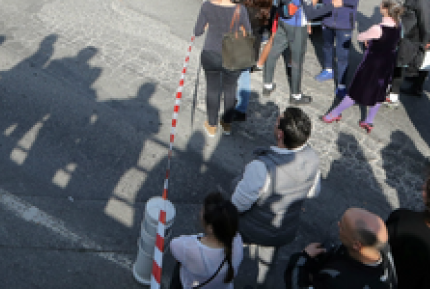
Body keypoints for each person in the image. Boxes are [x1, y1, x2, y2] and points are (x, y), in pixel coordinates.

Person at [232, 108, 321, 287]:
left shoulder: (261, 167)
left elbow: (238, 204)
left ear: (280, 134)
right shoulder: (313, 158)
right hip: (283, 230)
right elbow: (313, 192)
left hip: (250, 229)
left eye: (276, 122)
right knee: (266, 265)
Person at [263, 0, 342, 104]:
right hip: (297, 26)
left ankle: (267, 85)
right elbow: (311, 14)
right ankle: (296, 96)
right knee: (297, 61)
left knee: (274, 52)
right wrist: (332, 5)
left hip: (283, 20)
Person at [322, 0, 403, 132]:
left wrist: (368, 40)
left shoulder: (378, 28)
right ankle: (369, 121)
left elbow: (361, 37)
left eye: (381, 5)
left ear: (386, 9)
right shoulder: (398, 26)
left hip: (372, 64)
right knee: (379, 93)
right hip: (387, 63)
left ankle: (333, 114)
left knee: (355, 91)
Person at [193, 0, 251, 137]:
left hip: (211, 53)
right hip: (231, 56)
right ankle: (226, 124)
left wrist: (210, 25)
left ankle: (211, 126)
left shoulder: (207, 6)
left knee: (212, 89)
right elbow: (248, 33)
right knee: (230, 89)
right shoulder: (240, 10)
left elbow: (197, 31)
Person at [285, 208, 396, 289]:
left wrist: (302, 259)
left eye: (343, 226)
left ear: (357, 245)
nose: (338, 224)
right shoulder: (380, 247)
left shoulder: (340, 284)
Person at [316, 0, 366, 97]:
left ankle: (342, 84)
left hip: (345, 22)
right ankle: (328, 70)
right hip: (328, 19)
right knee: (326, 46)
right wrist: (335, 1)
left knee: (343, 54)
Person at [169, 192, 243, 289]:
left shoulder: (187, 247)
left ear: (210, 228)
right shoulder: (237, 241)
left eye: (202, 211)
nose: (200, 212)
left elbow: (174, 247)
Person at [387, 0, 430, 104]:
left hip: (410, 40)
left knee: (399, 65)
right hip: (403, 36)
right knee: (396, 64)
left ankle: (393, 95)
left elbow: (426, 25)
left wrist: (423, 47)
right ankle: (391, 92)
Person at [233, 0, 274, 122]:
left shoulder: (243, 7)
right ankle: (241, 109)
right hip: (252, 50)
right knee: (244, 78)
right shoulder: (266, 9)